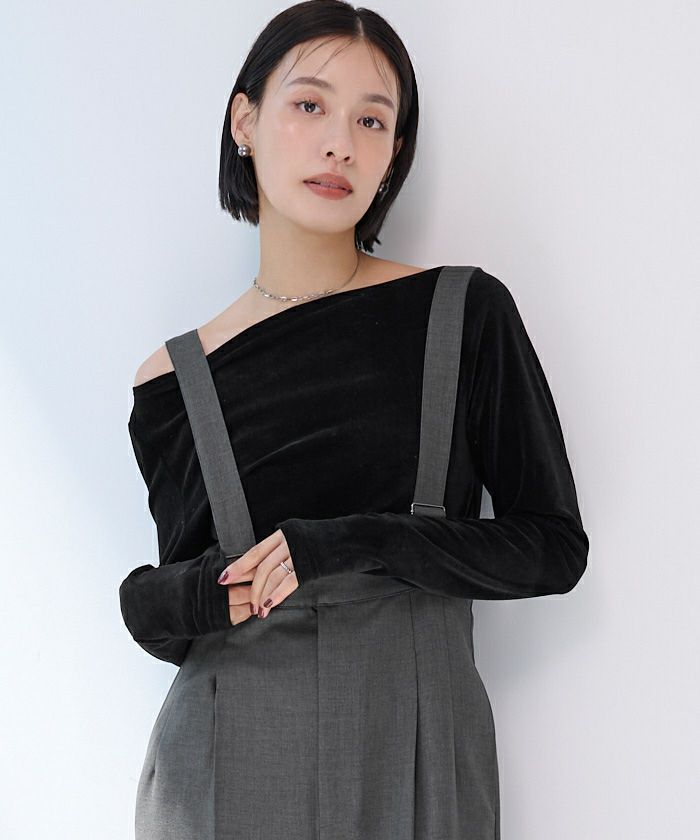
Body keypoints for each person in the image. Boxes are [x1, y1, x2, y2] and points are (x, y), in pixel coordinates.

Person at [119, 1, 589, 838]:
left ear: (393, 153)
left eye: (372, 120)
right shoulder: (171, 379)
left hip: (418, 736)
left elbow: (552, 547)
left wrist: (351, 542)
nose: (340, 142)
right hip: (230, 757)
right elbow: (179, 612)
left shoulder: (462, 313)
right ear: (244, 121)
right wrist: (168, 596)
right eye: (310, 104)